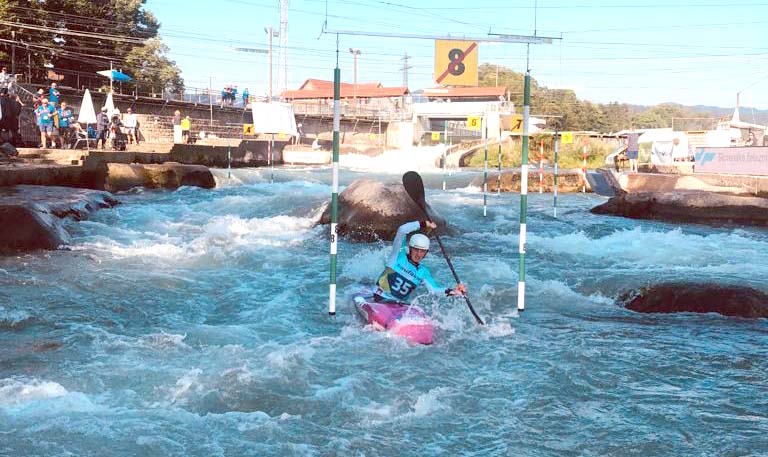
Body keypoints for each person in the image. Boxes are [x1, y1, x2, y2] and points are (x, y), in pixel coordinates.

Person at [373, 220, 467, 304]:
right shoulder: (398, 255)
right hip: (379, 297)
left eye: (422, 251)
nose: (419, 254)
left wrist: (453, 291)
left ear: (426, 253)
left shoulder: (423, 272)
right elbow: (402, 230)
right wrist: (424, 224)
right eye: (416, 250)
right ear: (410, 248)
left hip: (398, 305)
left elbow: (435, 290)